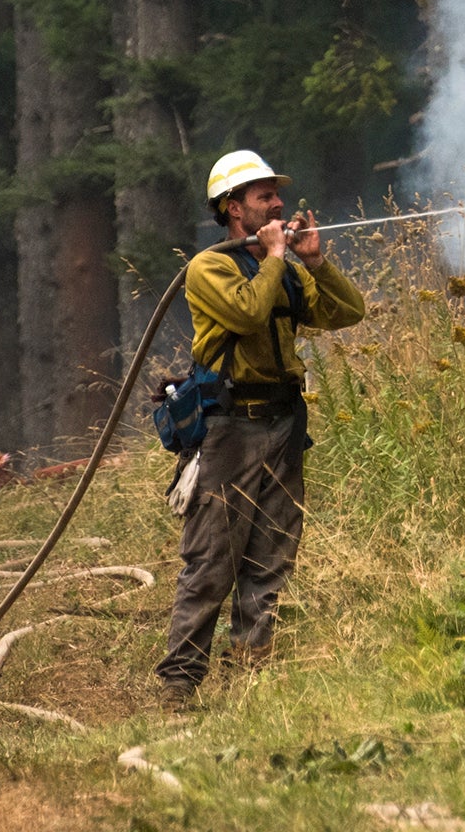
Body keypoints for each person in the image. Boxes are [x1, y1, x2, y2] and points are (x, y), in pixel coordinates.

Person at [155, 149, 366, 705]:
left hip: (284, 423)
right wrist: (276, 255)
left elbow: (348, 313)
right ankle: (180, 684)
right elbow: (248, 314)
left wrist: (315, 262)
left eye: (277, 193)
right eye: (264, 196)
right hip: (230, 428)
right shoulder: (209, 268)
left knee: (272, 556)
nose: (278, 203)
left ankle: (249, 672)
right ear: (232, 208)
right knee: (211, 562)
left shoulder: (287, 270)